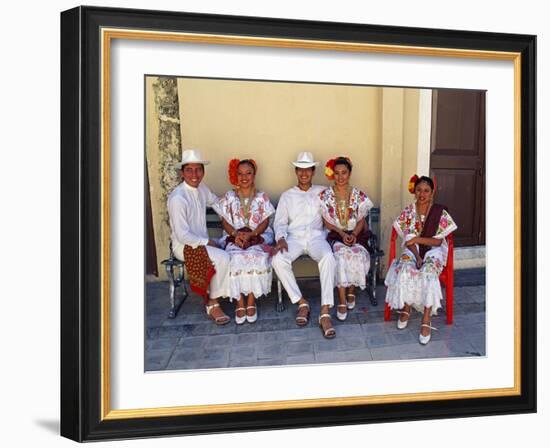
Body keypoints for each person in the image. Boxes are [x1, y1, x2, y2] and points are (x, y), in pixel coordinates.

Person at [384, 175, 458, 344]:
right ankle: (407, 307)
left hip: (434, 251)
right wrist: (417, 257)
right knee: (405, 269)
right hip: (413, 251)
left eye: (426, 191)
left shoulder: (439, 212)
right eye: (419, 190)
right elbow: (408, 240)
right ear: (414, 192)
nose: (422, 194)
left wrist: (418, 240)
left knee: (428, 273)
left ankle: (426, 318)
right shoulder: (409, 211)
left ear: (432, 193)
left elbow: (438, 241)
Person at [272, 152, 337, 339]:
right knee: (278, 259)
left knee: (328, 257)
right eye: (300, 169)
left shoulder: (323, 192)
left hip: (317, 238)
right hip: (294, 238)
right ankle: (302, 303)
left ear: (313, 171)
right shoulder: (287, 196)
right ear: (296, 171)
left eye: (307, 169)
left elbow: (335, 211)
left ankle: (325, 312)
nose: (304, 173)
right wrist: (281, 238)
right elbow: (280, 222)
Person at [167, 149, 231, 325]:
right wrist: (209, 242)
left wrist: (235, 201)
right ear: (182, 172)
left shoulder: (201, 188)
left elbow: (216, 202)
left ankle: (233, 293)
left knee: (232, 247)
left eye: (198, 170)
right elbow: (182, 234)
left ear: (203, 171)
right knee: (223, 257)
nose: (194, 174)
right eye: (189, 170)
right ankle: (212, 303)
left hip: (203, 242)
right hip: (185, 246)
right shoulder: (178, 198)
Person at [212, 159, 275, 324]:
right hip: (234, 236)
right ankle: (239, 302)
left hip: (257, 235)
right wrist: (235, 233)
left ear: (254, 175)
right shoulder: (229, 197)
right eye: (240, 173)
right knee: (233, 258)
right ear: (236, 175)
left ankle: (251, 301)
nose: (244, 177)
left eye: (248, 173)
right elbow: (224, 221)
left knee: (256, 257)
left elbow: (265, 222)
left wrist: (252, 234)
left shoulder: (261, 197)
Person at [319, 156, 374, 321]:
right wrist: (343, 235)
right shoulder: (326, 196)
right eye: (337, 173)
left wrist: (353, 235)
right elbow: (326, 222)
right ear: (332, 175)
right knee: (341, 256)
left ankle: (351, 290)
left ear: (349, 174)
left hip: (356, 234)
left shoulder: (358, 195)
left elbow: (361, 220)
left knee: (357, 255)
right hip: (336, 234)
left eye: (344, 173)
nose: (340, 177)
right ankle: (342, 299)